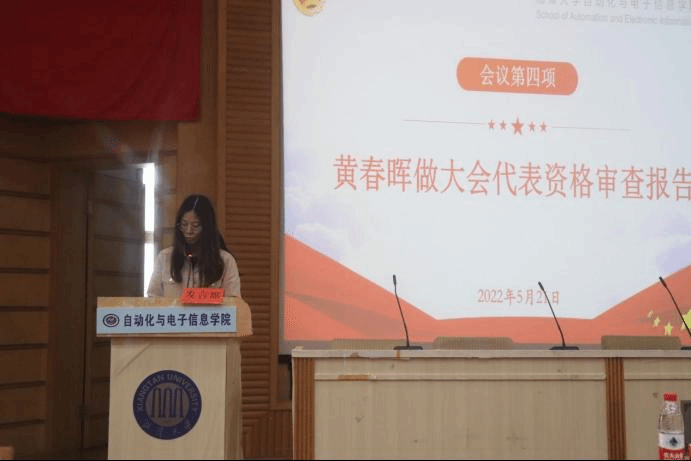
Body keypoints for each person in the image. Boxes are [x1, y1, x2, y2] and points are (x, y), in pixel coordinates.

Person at [147, 194, 242, 298]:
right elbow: (152, 299)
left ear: (207, 227)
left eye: (195, 225)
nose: (189, 231)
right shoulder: (165, 258)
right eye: (184, 225)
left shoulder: (226, 261)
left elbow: (233, 302)